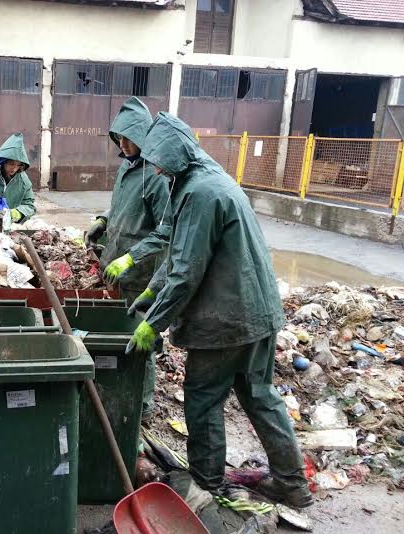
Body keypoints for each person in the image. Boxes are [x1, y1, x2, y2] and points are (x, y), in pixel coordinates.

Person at [126, 112, 312, 508]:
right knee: (260, 396)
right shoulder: (205, 179)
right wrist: (150, 291)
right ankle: (292, 484)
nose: (155, 169)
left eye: (159, 161)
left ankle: (207, 483)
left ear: (176, 155)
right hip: (259, 313)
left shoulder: (200, 193)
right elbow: (179, 248)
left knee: (203, 397)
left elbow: (187, 270)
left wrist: (153, 324)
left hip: (225, 319)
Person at [85, 96, 171, 421]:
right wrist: (103, 221)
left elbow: (167, 228)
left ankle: (142, 405)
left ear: (143, 136)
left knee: (143, 338)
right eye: (119, 138)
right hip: (117, 270)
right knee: (120, 333)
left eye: (128, 138)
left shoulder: (157, 175)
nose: (123, 144)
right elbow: (121, 208)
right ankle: (118, 387)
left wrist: (132, 258)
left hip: (143, 274)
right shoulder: (127, 167)